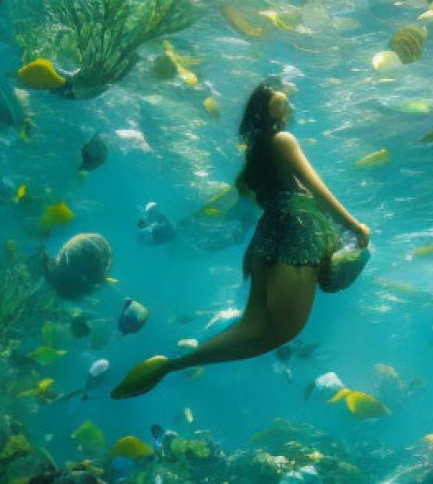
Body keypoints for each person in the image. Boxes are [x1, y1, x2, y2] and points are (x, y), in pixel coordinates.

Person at [111, 81, 370, 399]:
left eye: (287, 101)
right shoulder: (282, 140)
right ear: (266, 109)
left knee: (253, 324)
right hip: (298, 236)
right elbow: (317, 189)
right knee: (281, 330)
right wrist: (353, 225)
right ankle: (174, 364)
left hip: (268, 238)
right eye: (280, 102)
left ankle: (173, 365)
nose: (287, 107)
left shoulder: (255, 153)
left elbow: (250, 206)